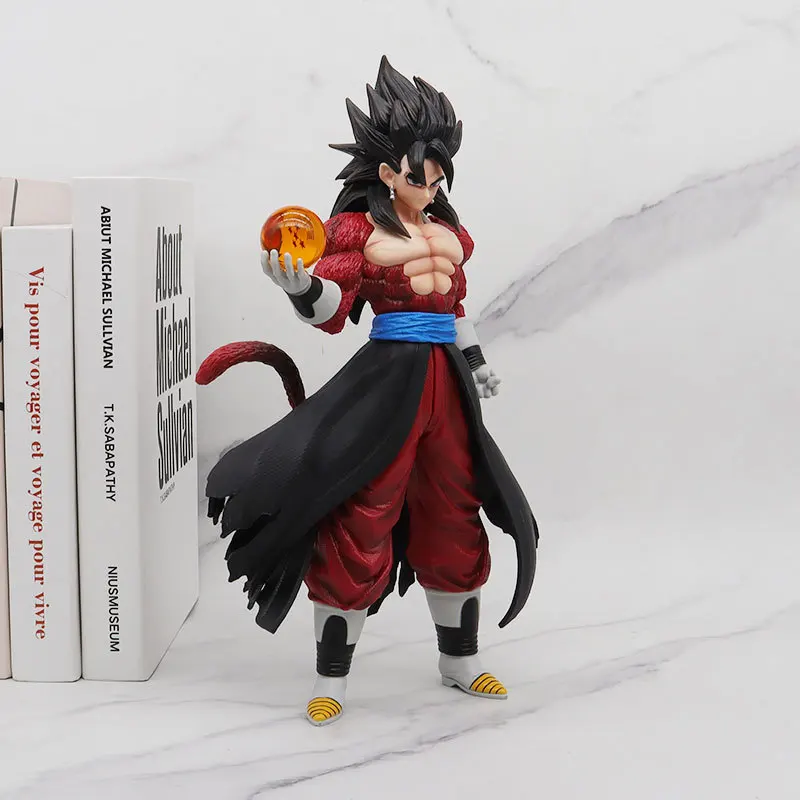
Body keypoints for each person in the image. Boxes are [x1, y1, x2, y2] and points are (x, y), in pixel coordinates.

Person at [199, 56, 538, 727]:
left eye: (438, 175)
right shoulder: (359, 231)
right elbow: (333, 309)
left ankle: (459, 657)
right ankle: (332, 676)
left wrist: (474, 360)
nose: (430, 186)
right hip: (388, 381)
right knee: (361, 515)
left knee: (454, 509)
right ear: (386, 172)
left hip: (447, 383)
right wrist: (302, 287)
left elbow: (455, 306)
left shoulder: (450, 231)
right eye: (418, 174)